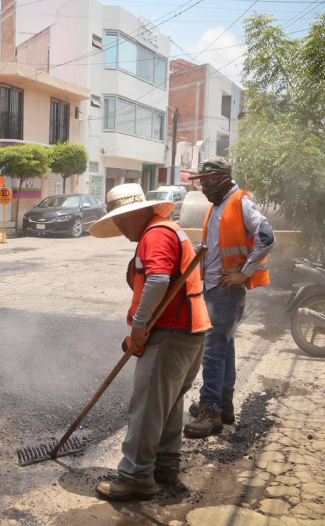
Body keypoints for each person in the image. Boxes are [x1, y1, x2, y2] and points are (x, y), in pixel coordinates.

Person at [89, 184, 210, 500]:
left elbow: (157, 280)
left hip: (170, 334)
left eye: (120, 219)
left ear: (138, 212)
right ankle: (164, 466)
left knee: (145, 410)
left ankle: (135, 477)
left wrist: (140, 327)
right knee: (167, 406)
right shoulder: (169, 230)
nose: (118, 226)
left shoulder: (155, 235)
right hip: (190, 332)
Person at [184, 157, 274, 438]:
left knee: (212, 350)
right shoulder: (219, 205)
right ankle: (223, 405)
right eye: (201, 182)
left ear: (223, 178)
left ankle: (209, 410)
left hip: (226, 290)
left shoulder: (240, 201)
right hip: (214, 287)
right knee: (225, 346)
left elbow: (267, 237)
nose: (203, 188)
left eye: (208, 182)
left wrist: (243, 273)